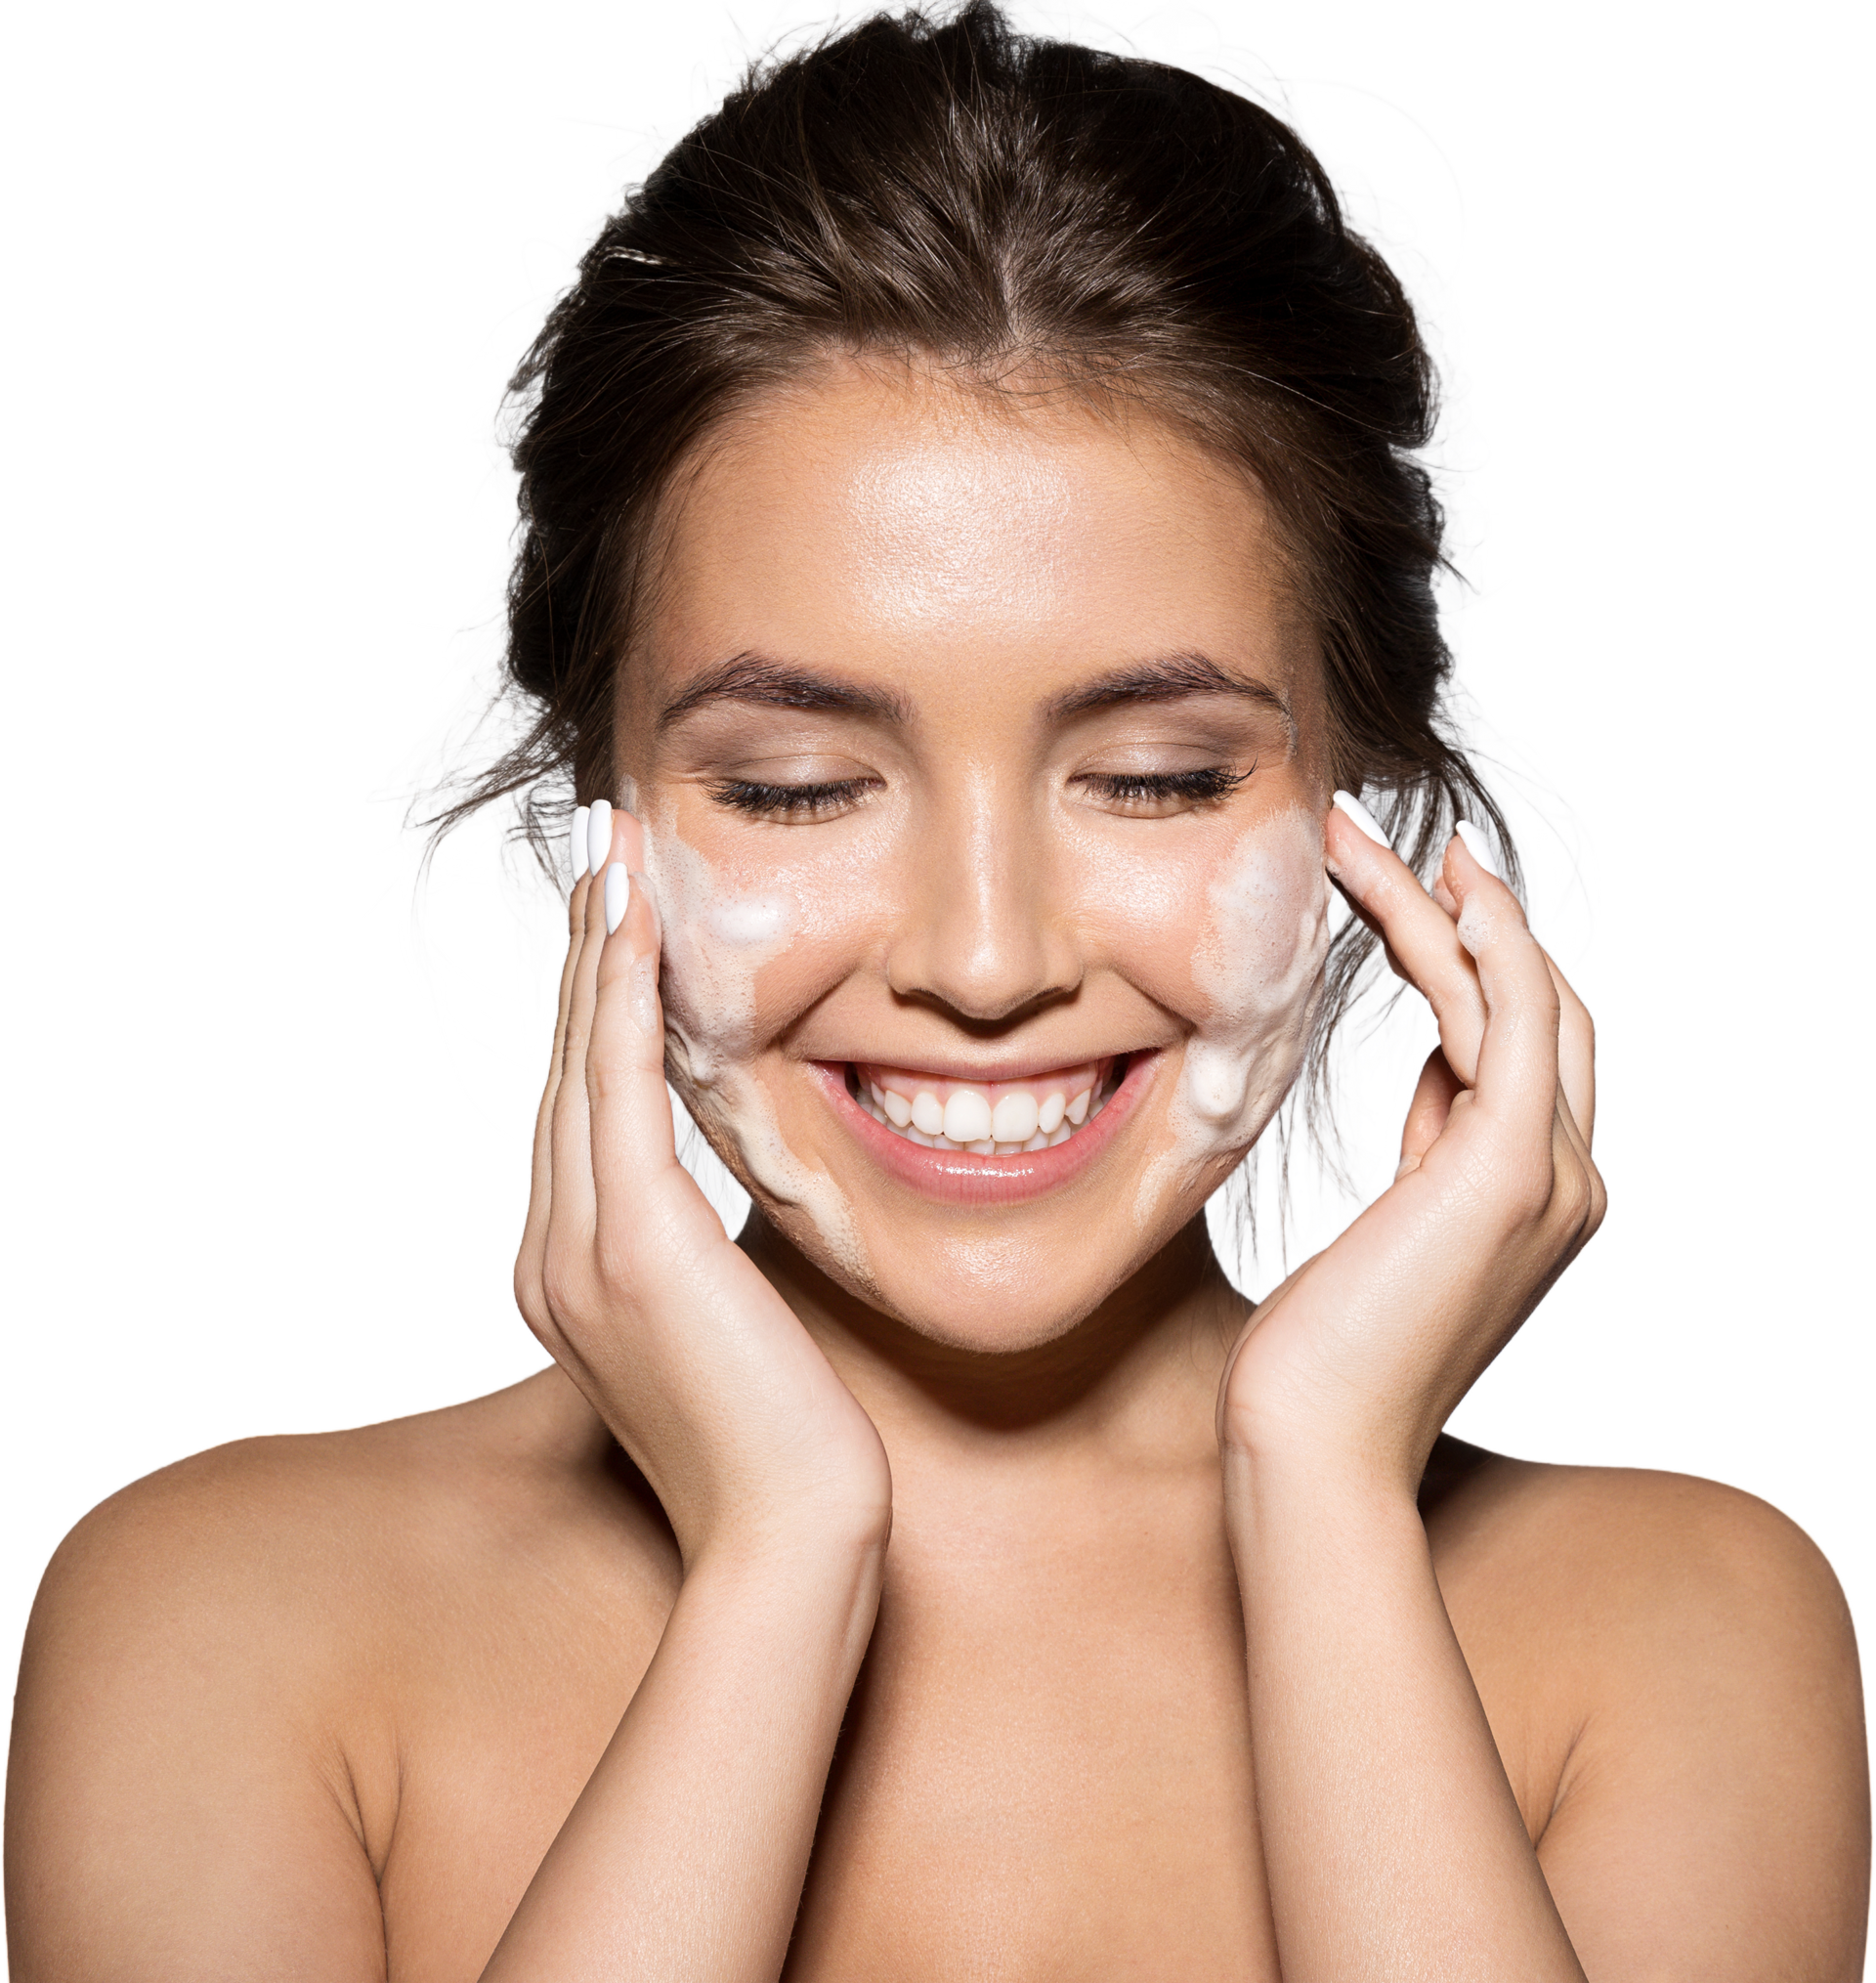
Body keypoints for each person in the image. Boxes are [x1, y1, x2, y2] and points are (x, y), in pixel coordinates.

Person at [6, 2, 1867, 1976]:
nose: (988, 961)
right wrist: (779, 1567)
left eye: (1155, 778)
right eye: (798, 787)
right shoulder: (233, 1621)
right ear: (596, 814)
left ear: (1371, 809)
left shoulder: (1672, 1625)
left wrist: (1324, 1498)